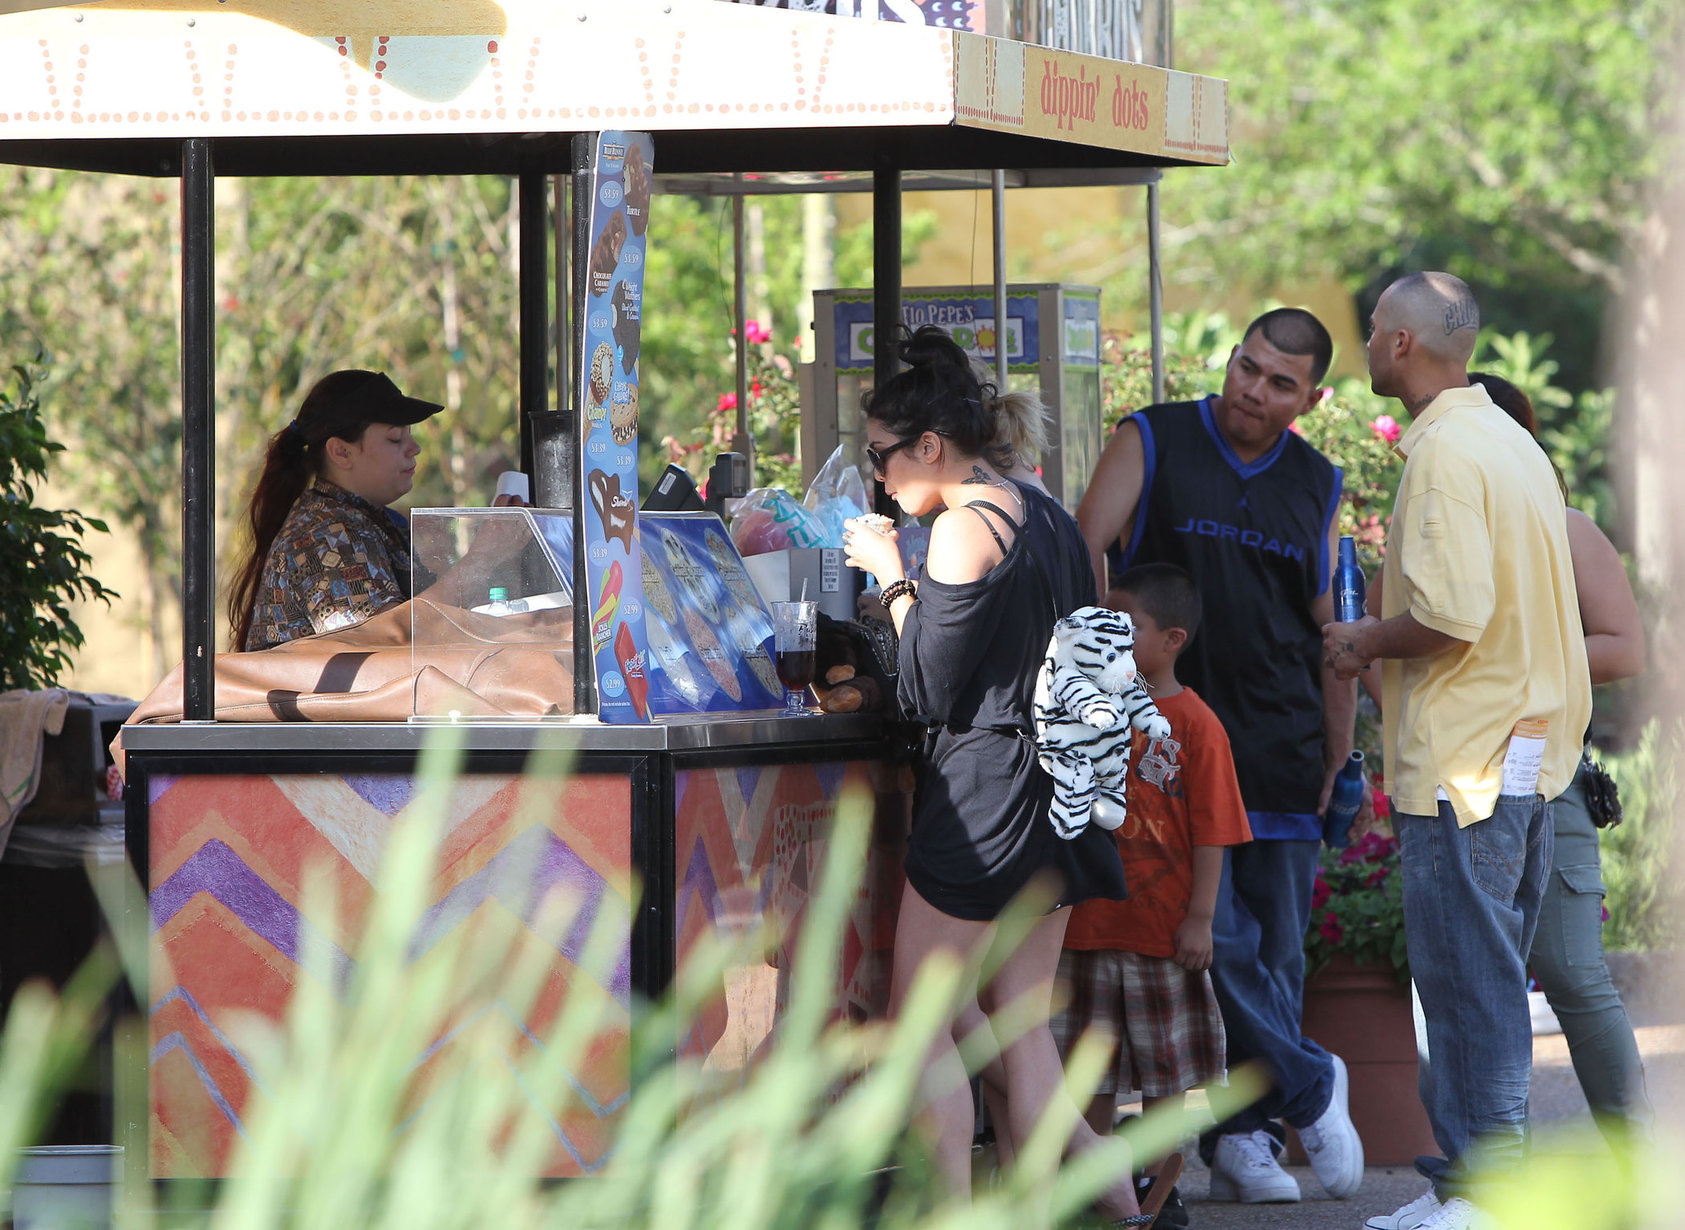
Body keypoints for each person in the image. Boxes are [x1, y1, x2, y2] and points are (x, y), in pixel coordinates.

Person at [841, 326, 1171, 1225]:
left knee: (920, 1031)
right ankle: (1122, 1208)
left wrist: (892, 577)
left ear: (930, 447)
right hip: (1062, 788)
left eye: (880, 456)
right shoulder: (1047, 513)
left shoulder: (959, 531)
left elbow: (924, 690)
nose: (877, 478)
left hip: (985, 797)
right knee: (1021, 1043)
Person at [1075, 308, 1364, 1204]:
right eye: (1248, 368)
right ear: (1230, 361)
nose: (1255, 390)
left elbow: (1329, 629)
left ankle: (1245, 1136)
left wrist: (1339, 753)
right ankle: (1311, 1078)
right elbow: (1084, 548)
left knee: (1272, 954)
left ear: (1309, 399)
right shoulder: (1152, 437)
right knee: (1207, 940)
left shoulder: (1315, 481)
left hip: (1277, 744)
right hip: (1159, 749)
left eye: (1280, 382)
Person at [1325, 274, 1590, 1230]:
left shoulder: (1442, 452)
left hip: (1463, 763)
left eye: (1370, 334)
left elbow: (1448, 614)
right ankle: (1477, 1190)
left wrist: (1360, 643)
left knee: (1466, 984)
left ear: (1400, 344)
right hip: (1520, 753)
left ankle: (1485, 1197)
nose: (1363, 347)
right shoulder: (1508, 439)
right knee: (1482, 979)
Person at [1362, 372, 1652, 1154]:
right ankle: (1472, 1167)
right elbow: (1382, 641)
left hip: (1537, 768)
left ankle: (1633, 1160)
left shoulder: (1559, 523)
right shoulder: (1430, 524)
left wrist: (1523, 660)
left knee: (1568, 973)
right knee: (1453, 979)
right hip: (1450, 772)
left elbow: (1625, 646)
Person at [1052, 562, 1253, 1229]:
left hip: (1160, 935)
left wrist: (1200, 919)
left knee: (1170, 1077)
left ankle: (1161, 1190)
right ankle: (1095, 1185)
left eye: (1126, 624)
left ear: (1172, 639)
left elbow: (1214, 832)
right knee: (1088, 1074)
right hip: (1081, 929)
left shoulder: (1195, 726)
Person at [228, 369, 445, 651]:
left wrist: (501, 547)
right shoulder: (325, 533)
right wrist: (481, 557)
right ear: (341, 452)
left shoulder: (366, 520)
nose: (414, 448)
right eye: (395, 439)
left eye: (410, 435)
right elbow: (392, 640)